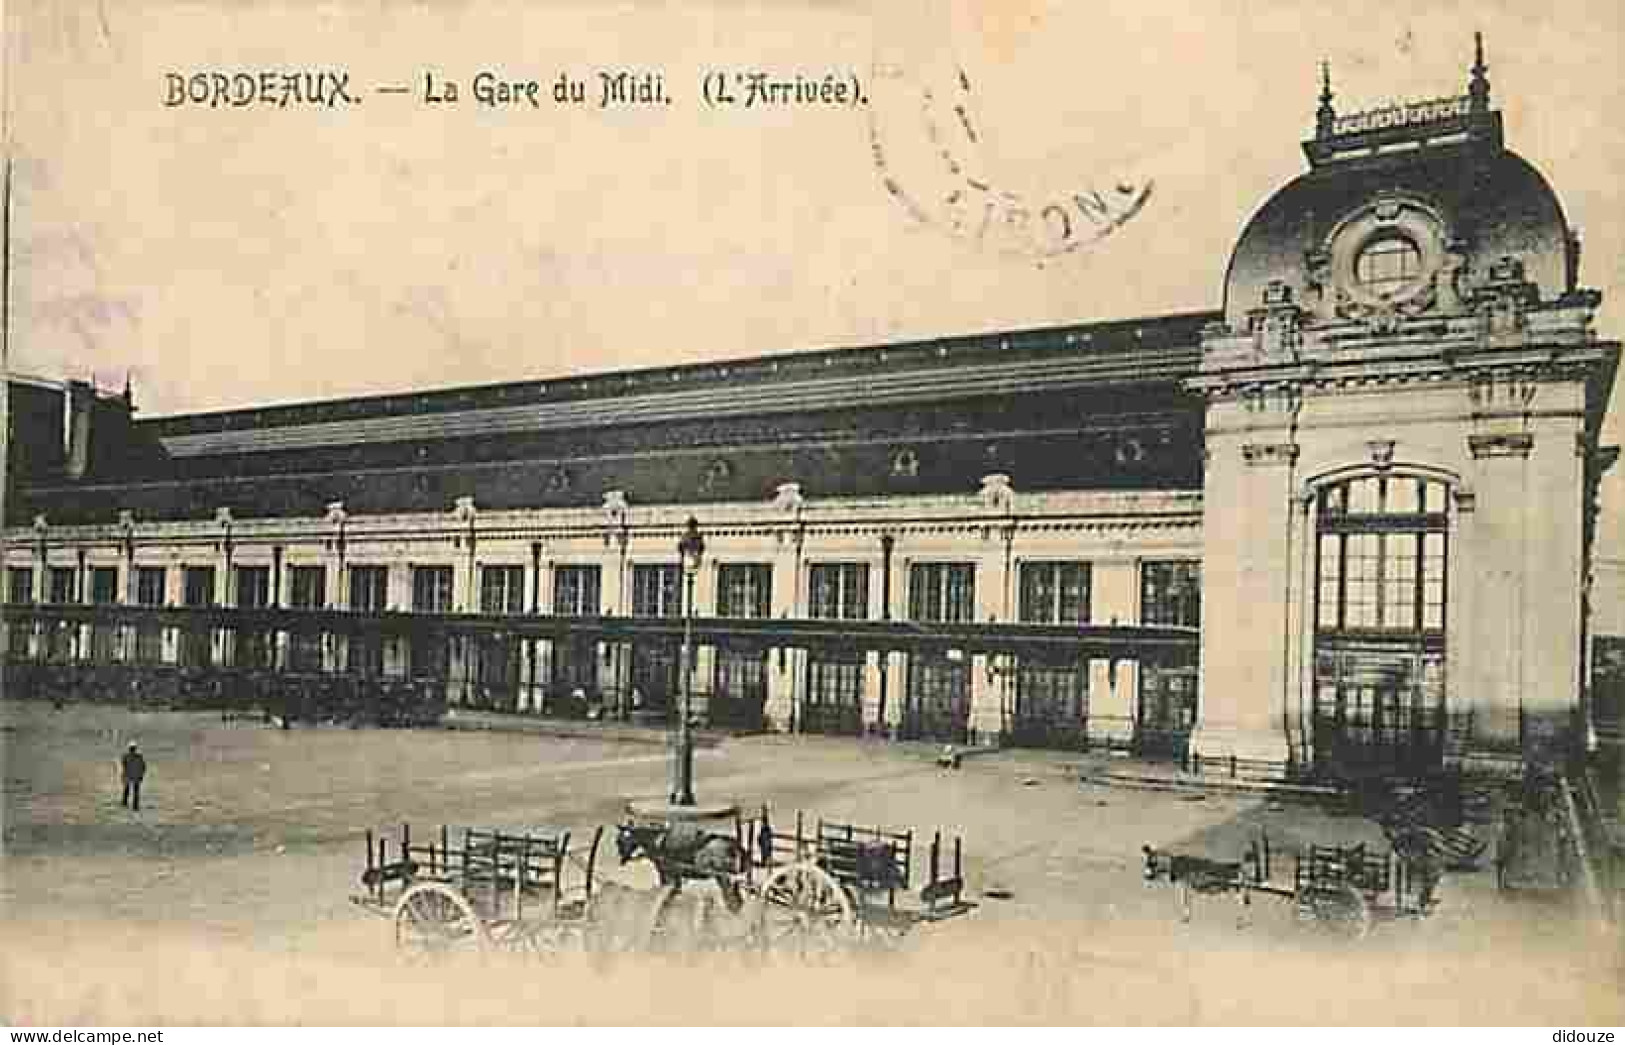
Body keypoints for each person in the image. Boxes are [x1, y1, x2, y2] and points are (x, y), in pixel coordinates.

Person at [120, 742, 147, 811]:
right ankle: (135, 806)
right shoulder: (139, 756)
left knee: (126, 789)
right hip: (136, 776)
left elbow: (124, 765)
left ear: (129, 749)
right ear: (135, 748)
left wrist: (124, 775)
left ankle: (124, 802)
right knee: (136, 791)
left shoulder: (126, 756)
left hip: (128, 775)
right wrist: (141, 775)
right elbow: (143, 767)